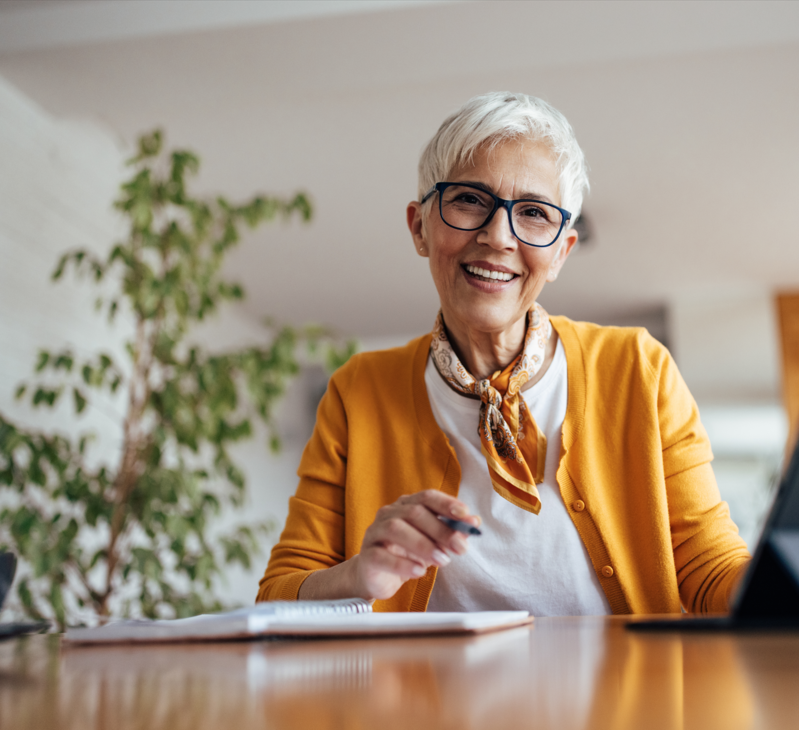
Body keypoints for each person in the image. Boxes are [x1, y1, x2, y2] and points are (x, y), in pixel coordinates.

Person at [257, 92, 750, 615]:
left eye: (534, 213)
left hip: (624, 697)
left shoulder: (639, 369)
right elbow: (279, 594)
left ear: (561, 251)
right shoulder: (357, 392)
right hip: (426, 699)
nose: (497, 236)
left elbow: (709, 569)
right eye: (469, 200)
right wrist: (359, 575)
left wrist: (795, 579)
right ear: (419, 227)